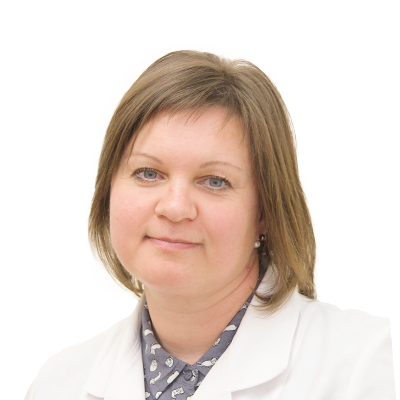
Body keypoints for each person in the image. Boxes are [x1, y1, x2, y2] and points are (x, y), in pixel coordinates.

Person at [25, 50, 400, 400]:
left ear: (265, 211)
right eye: (148, 173)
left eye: (215, 181)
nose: (175, 208)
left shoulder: (371, 366)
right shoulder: (59, 383)